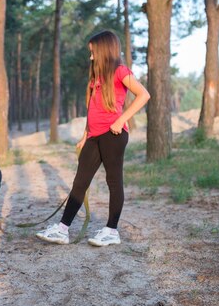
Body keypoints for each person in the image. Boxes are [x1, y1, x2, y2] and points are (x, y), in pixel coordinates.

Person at [36, 30, 150, 247]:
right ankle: (62, 230)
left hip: (114, 135)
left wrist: (120, 120)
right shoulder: (95, 77)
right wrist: (85, 134)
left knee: (113, 181)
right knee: (80, 182)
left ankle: (111, 230)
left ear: (104, 50)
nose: (91, 57)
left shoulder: (120, 71)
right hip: (94, 136)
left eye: (93, 52)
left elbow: (144, 94)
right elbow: (93, 110)